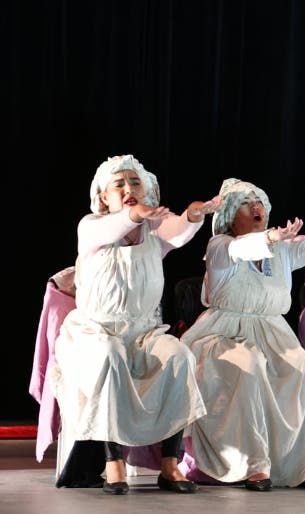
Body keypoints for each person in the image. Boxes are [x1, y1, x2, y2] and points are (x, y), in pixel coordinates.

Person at [49, 154, 221, 495]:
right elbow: (115, 225)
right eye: (120, 184)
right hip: (95, 332)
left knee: (179, 357)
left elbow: (178, 231)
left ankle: (170, 464)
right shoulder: (91, 227)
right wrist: (133, 214)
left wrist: (192, 216)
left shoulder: (153, 232)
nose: (129, 188)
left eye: (135, 183)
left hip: (142, 333)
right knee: (110, 356)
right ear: (103, 196)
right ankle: (112, 462)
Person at [179, 178, 305, 491]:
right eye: (245, 203)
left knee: (303, 367)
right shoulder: (220, 246)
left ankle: (304, 464)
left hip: (271, 332)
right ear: (227, 215)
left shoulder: (279, 248)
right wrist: (270, 237)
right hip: (224, 332)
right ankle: (254, 463)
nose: (256, 208)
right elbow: (241, 249)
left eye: (259, 202)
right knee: (247, 365)